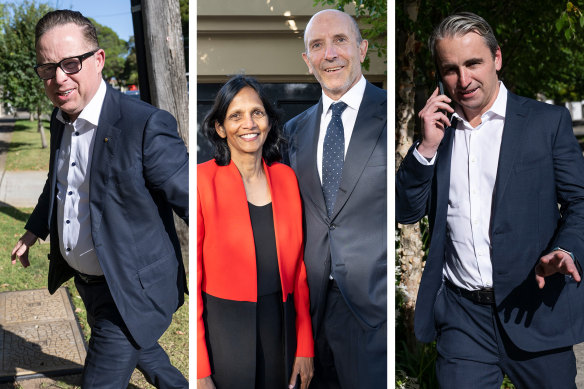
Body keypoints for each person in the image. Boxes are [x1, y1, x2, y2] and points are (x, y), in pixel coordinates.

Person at [396, 11, 584, 388]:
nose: (463, 80)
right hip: (462, 319)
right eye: (450, 69)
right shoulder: (438, 132)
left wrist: (566, 248)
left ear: (496, 58)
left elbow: (580, 202)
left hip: (533, 306)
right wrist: (425, 147)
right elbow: (407, 210)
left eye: (473, 63)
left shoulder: (547, 123)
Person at [10, 10, 189, 388]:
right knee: (145, 350)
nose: (59, 78)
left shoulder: (145, 126)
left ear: (99, 60)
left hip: (131, 290)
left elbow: (196, 202)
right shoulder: (62, 120)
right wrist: (33, 231)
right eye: (47, 68)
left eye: (71, 63)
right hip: (88, 284)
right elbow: (58, 184)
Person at [283, 9, 387, 388]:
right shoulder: (293, 131)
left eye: (340, 40)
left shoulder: (392, 116)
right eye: (317, 45)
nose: (330, 54)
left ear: (361, 48)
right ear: (307, 61)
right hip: (309, 312)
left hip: (372, 311)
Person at [197, 75, 314, 389]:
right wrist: (199, 368)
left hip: (282, 326)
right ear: (220, 128)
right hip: (225, 331)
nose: (248, 123)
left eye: (256, 113)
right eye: (235, 115)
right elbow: (192, 279)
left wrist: (304, 346)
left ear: (269, 121)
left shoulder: (287, 178)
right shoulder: (201, 181)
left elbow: (300, 270)